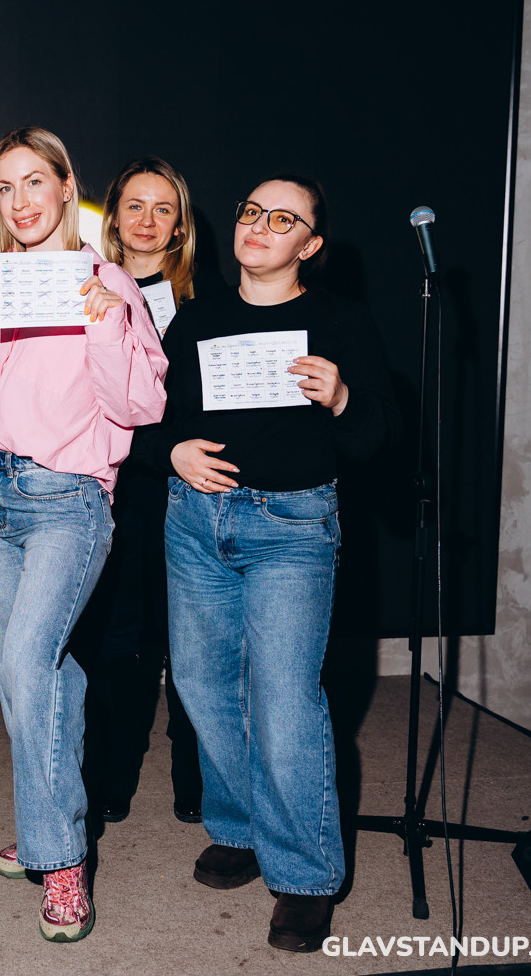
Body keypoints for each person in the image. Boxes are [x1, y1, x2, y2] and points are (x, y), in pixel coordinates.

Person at [149, 176, 397, 951]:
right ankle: (240, 827)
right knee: (202, 683)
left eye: (282, 218)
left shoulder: (339, 320)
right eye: (252, 211)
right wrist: (172, 450)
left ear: (310, 245)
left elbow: (376, 439)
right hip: (196, 521)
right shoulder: (198, 318)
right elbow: (147, 413)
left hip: (291, 527)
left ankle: (305, 875)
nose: (259, 225)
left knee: (285, 700)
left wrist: (344, 397)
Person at [0, 127, 168, 942]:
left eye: (34, 181)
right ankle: (49, 819)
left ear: (66, 186)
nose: (20, 200)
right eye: (5, 187)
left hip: (68, 499)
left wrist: (108, 323)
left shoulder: (109, 282)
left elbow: (140, 407)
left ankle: (62, 858)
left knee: (26, 660)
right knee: (32, 672)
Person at [83, 157, 203, 825]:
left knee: (191, 640)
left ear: (180, 225)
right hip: (115, 488)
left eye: (163, 209)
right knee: (116, 641)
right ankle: (109, 775)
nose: (148, 221)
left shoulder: (207, 302)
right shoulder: (84, 288)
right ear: (114, 217)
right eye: (135, 205)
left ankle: (196, 775)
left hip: (188, 490)